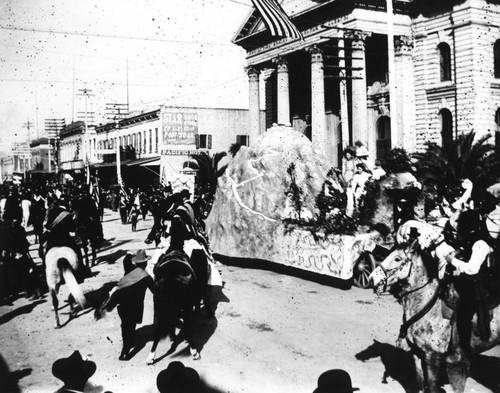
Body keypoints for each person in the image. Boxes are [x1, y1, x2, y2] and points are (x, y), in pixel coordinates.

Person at [441, 207, 499, 357]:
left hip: (482, 284)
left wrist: (452, 260)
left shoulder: (480, 243)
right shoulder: (472, 239)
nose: (459, 227)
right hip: (472, 279)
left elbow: (472, 269)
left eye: (461, 224)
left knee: (464, 310)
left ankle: (462, 347)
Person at [97, 249, 154, 360]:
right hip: (135, 307)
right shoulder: (147, 278)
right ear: (146, 263)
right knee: (130, 327)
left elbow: (125, 260)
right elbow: (155, 291)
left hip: (121, 305)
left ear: (136, 262)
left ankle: (128, 342)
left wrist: (129, 254)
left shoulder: (128, 268)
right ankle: (125, 351)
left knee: (125, 325)